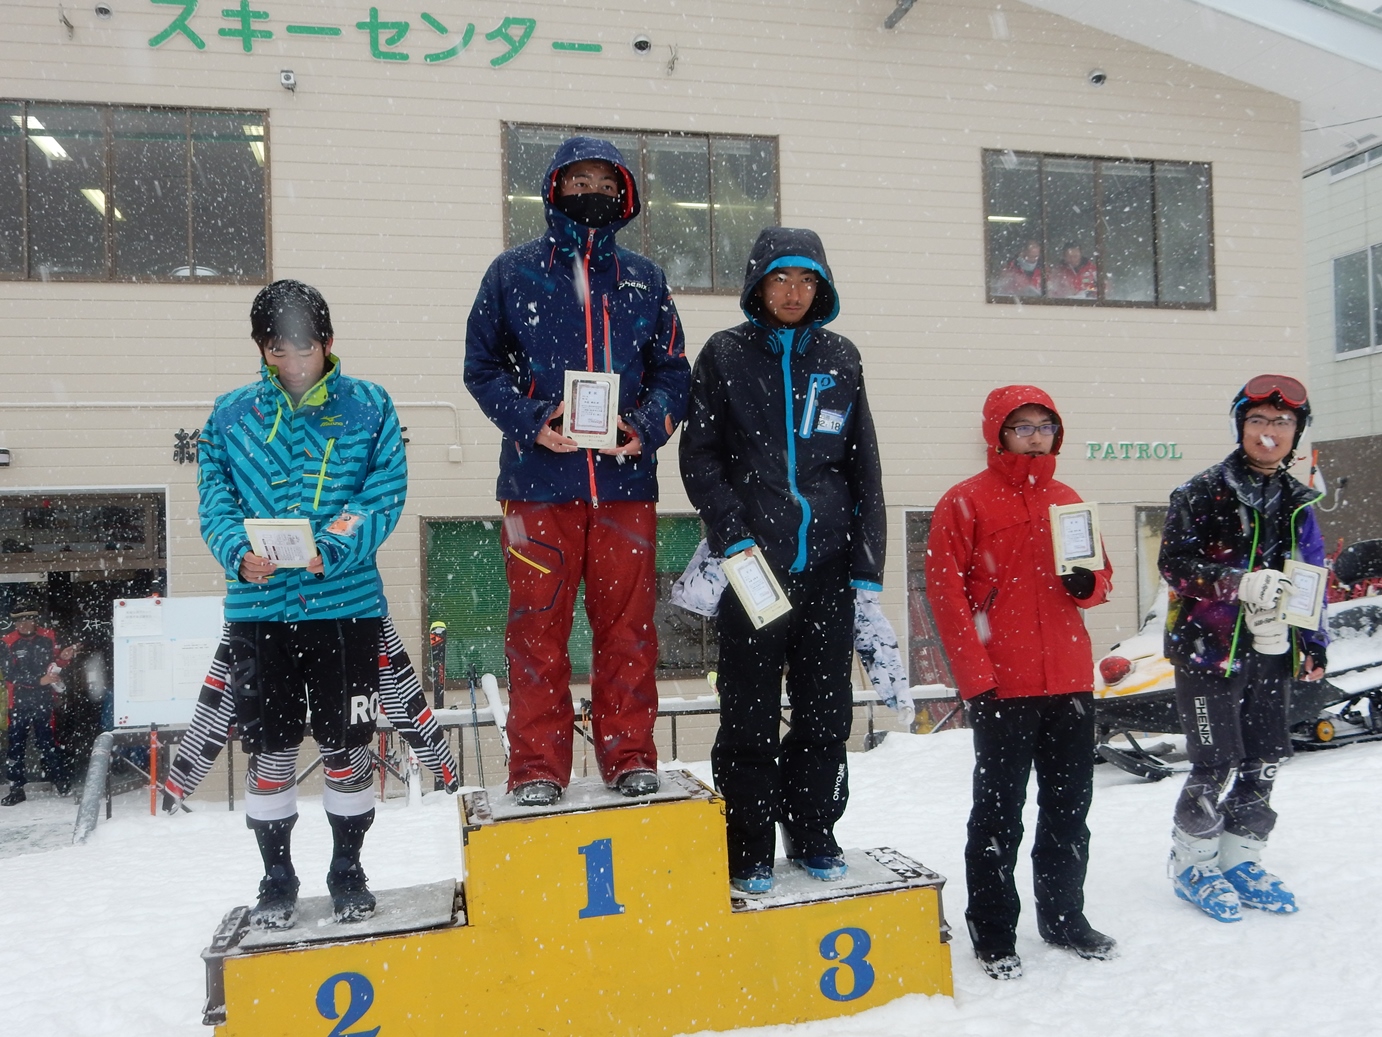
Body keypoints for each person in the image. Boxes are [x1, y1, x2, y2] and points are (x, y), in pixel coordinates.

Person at [464, 136, 689, 808]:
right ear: (554, 189)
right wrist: (532, 419)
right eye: (579, 181)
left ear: (624, 195)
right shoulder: (512, 274)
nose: (592, 193)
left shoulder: (645, 279)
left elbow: (674, 372)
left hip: (625, 489)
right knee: (537, 629)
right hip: (536, 489)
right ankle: (537, 765)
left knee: (629, 629)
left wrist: (645, 427)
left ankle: (630, 754)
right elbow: (481, 367)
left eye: (604, 183)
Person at [680, 227, 886, 895]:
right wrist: (732, 534)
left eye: (806, 280)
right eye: (780, 278)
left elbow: (863, 465)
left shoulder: (841, 356)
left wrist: (866, 564)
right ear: (757, 284)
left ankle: (814, 828)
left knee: (826, 714)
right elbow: (700, 457)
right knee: (749, 717)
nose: (794, 292)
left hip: (827, 568)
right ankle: (748, 844)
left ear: (820, 287)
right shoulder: (725, 354)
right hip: (752, 571)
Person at [198, 279, 407, 929]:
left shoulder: (369, 406)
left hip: (345, 610)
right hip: (259, 613)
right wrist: (237, 552)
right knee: (270, 749)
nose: (292, 362)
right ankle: (276, 878)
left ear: (329, 342)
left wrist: (336, 545)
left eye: (304, 348)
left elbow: (383, 490)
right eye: (277, 350)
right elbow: (215, 498)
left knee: (348, 746)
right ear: (261, 348)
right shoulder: (229, 416)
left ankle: (348, 870)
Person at [925, 386, 1116, 980]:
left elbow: (1100, 580)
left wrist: (1088, 583)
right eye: (1022, 426)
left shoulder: (1068, 501)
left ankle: (1064, 918)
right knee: (998, 813)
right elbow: (946, 595)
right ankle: (993, 931)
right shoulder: (965, 501)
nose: (1035, 437)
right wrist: (975, 678)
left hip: (1069, 681)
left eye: (1044, 426)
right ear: (997, 433)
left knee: (1069, 809)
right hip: (1003, 686)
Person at [1159, 374, 1326, 922]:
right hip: (1208, 650)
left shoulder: (1299, 501)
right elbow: (1174, 565)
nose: (1269, 431)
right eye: (1257, 420)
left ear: (1296, 431)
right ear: (1240, 426)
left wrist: (1311, 642)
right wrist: (1236, 583)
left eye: (1282, 421)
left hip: (1273, 649)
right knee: (1215, 762)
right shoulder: (1201, 492)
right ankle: (1193, 863)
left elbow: (1312, 573)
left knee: (1265, 759)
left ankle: (1241, 858)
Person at [1, 601, 75, 805]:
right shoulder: (7, 641)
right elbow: (9, 673)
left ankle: (62, 783)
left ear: (35, 620)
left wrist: (64, 659)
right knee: (16, 746)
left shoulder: (48, 636)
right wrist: (38, 680)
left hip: (44, 700)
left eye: (28, 620)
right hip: (18, 702)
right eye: (19, 621)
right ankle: (16, 789)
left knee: (48, 743)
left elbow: (55, 664)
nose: (23, 624)